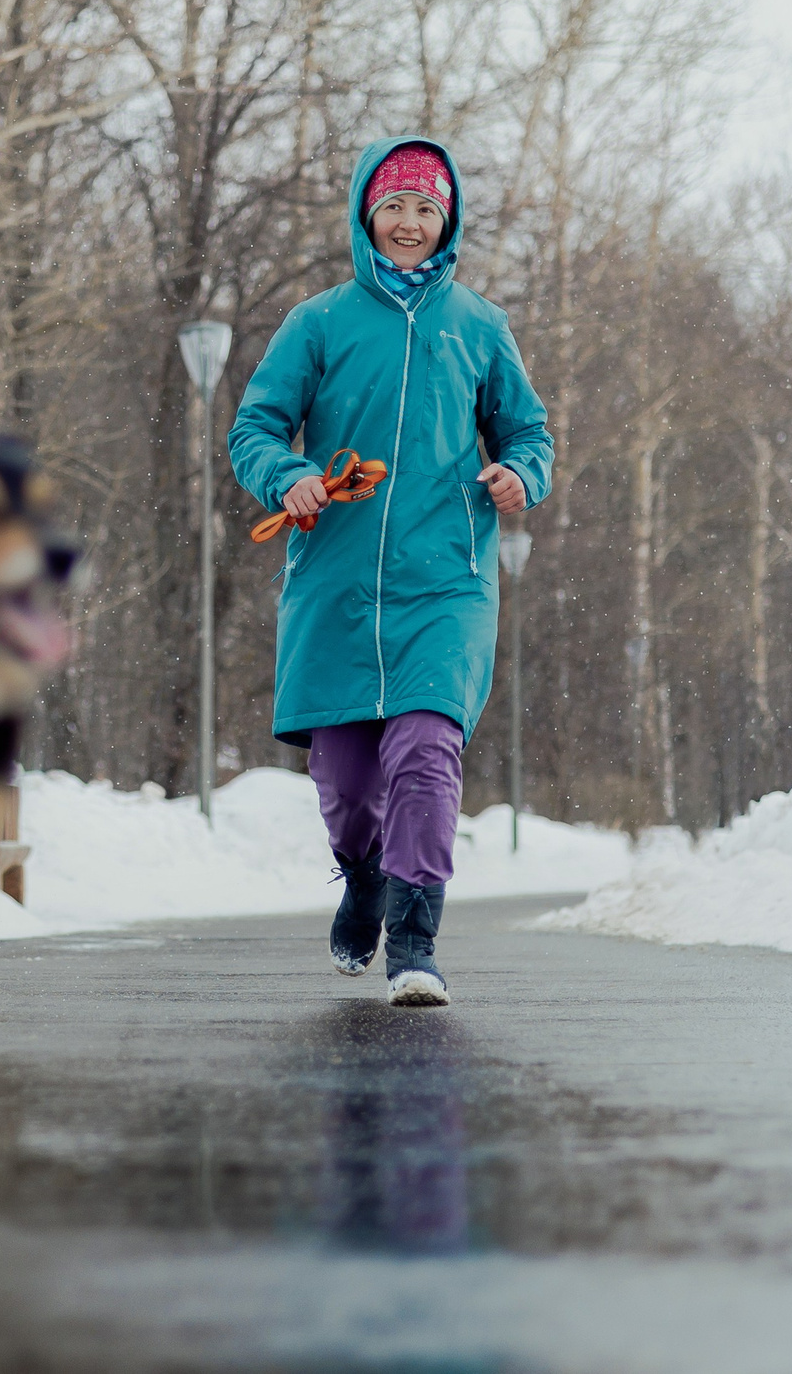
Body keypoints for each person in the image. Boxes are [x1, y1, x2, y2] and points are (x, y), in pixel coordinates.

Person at [228, 137, 553, 1006]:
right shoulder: (320, 321)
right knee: (342, 777)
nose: (410, 223)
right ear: (367, 213)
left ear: (446, 222)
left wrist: (521, 474)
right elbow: (254, 427)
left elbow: (528, 432)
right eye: (395, 206)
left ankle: (416, 938)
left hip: (446, 579)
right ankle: (363, 877)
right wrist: (288, 474)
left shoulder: (480, 326)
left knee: (424, 748)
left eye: (426, 209)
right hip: (335, 581)